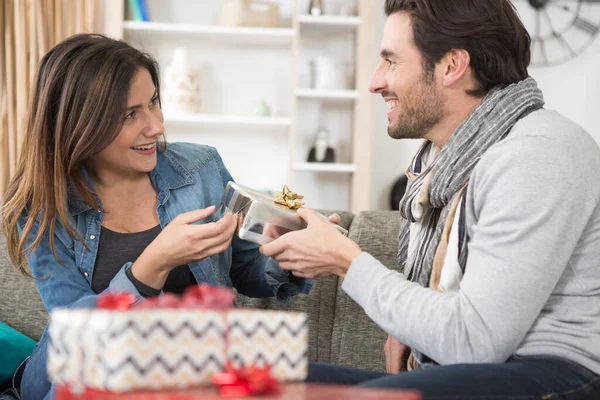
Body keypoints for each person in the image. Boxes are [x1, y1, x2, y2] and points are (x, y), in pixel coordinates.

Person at [260, 0, 600, 398]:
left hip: (555, 372)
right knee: (263, 383)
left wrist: (345, 262)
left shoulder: (537, 153)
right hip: (469, 370)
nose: (374, 82)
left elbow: (475, 342)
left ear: (452, 65)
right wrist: (323, 247)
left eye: (391, 61)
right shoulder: (444, 161)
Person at [0, 34, 310, 400]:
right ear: (79, 125)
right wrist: (154, 263)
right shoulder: (42, 209)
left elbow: (244, 271)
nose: (156, 126)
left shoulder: (200, 168)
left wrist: (286, 255)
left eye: (153, 103)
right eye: (130, 114)